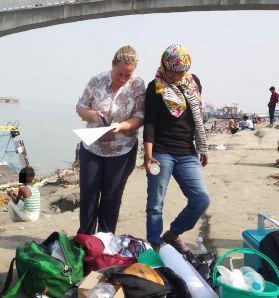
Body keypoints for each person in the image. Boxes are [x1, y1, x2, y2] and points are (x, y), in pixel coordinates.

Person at [143, 44, 210, 254]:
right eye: (173, 71)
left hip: (187, 152)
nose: (177, 75)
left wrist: (202, 147)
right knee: (155, 203)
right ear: (165, 65)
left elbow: (197, 116)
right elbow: (150, 123)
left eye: (181, 71)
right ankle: (155, 245)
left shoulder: (193, 82)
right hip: (161, 151)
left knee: (200, 199)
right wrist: (148, 155)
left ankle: (173, 234)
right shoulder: (155, 86)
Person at [76, 45, 146, 235]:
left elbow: (140, 117)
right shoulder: (97, 79)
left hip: (122, 150)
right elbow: (80, 107)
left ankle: (105, 239)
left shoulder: (138, 85)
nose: (123, 79)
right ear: (112, 65)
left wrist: (122, 127)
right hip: (92, 148)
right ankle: (86, 239)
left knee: (112, 197)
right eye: (120, 74)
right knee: (88, 196)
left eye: (128, 75)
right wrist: (92, 115)